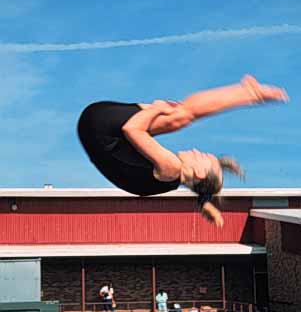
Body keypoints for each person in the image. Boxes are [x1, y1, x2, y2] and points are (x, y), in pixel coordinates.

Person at [78, 75, 288, 227]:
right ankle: (249, 94)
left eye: (203, 157)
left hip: (99, 128)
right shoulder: (169, 176)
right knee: (180, 115)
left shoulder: (171, 169)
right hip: (98, 132)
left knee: (179, 116)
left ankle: (251, 94)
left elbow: (131, 129)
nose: (197, 150)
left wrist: (156, 108)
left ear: (199, 173)